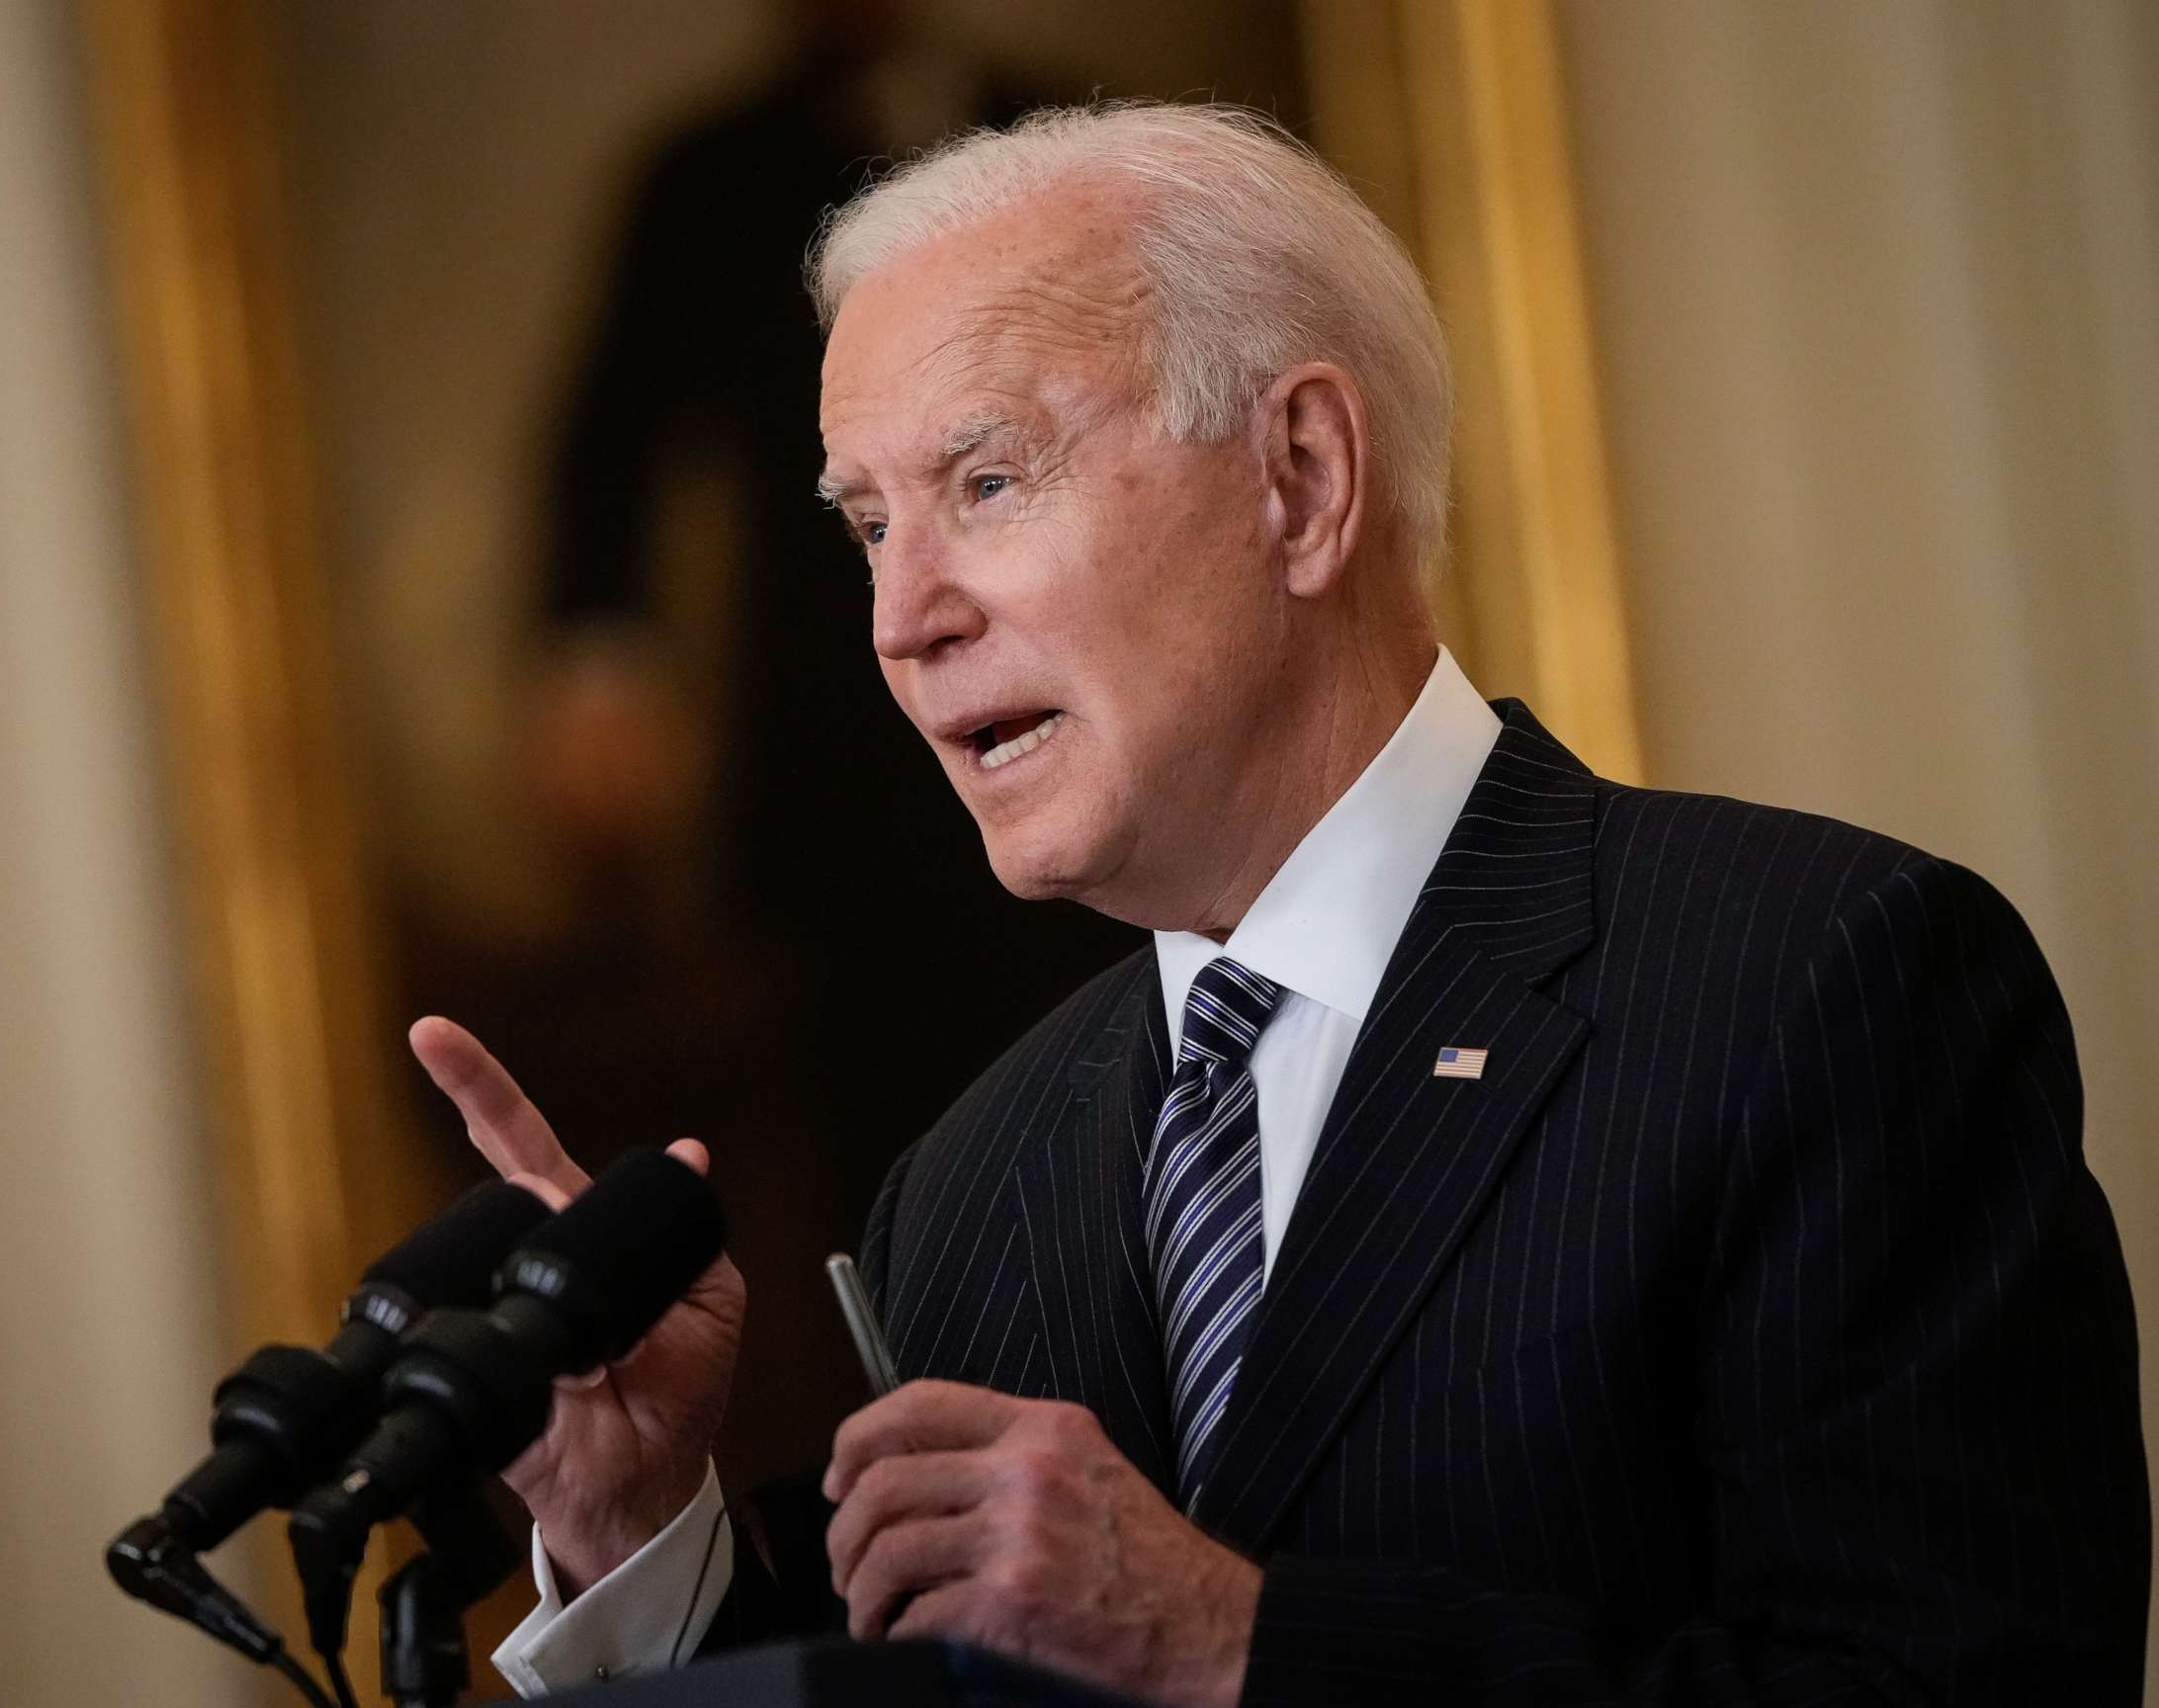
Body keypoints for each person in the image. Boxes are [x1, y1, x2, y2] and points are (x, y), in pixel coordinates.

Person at [414, 104, 2149, 1705]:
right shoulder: (973, 1183)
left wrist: (1235, 1641)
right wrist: (646, 1539)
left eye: (986, 483)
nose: (901, 616)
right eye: (869, 526)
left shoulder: (1817, 987)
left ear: (1301, 477)